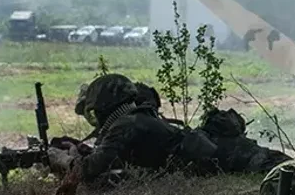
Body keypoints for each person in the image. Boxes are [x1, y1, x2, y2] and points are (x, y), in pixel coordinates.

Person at [46, 73, 218, 183]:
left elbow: (87, 171)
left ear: (105, 106)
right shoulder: (136, 118)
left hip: (203, 173)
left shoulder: (125, 124)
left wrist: (62, 159)